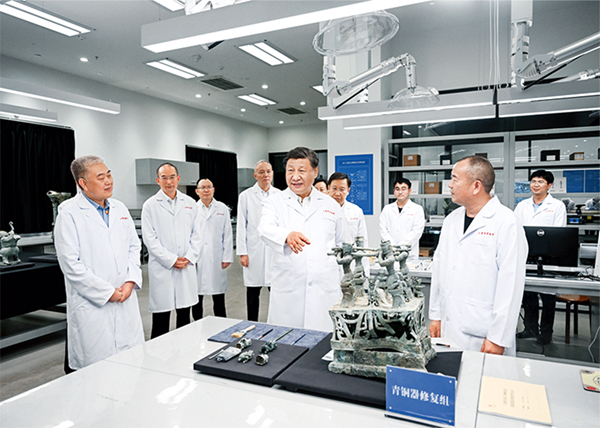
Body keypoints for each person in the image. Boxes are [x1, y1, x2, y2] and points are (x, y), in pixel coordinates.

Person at [428, 156, 528, 356]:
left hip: (484, 333)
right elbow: (439, 269)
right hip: (448, 325)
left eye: (455, 179)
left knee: (482, 375)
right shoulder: (451, 220)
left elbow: (511, 285)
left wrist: (498, 337)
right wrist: (436, 315)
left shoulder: (506, 222)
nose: (449, 185)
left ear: (476, 186)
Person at [55, 155, 144, 371]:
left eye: (109, 175)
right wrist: (108, 292)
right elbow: (71, 265)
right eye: (101, 177)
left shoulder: (120, 209)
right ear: (83, 183)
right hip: (93, 305)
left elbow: (134, 247)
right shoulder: (69, 213)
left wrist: (130, 281)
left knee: (130, 368)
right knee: (95, 374)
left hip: (125, 297)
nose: (108, 181)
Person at [258, 147, 345, 331]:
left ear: (315, 172)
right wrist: (286, 235)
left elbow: (342, 244)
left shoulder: (330, 204)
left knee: (323, 340)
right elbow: (264, 229)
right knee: (286, 341)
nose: (295, 176)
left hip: (324, 289)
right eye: (290, 170)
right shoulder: (274, 202)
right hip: (289, 290)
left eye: (302, 170)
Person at [142, 163, 201, 339]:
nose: (169, 182)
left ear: (178, 178)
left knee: (184, 316)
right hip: (163, 268)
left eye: (172, 177)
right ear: (157, 180)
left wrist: (188, 257)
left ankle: (185, 351)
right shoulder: (150, 205)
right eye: (164, 178)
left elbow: (197, 234)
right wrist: (171, 260)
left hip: (186, 266)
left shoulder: (190, 203)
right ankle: (158, 354)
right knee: (161, 318)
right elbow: (149, 239)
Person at [514, 170, 567, 345]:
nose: (536, 184)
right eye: (533, 181)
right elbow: (515, 229)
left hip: (549, 258)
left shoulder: (557, 206)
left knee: (548, 297)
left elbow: (559, 233)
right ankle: (530, 329)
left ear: (549, 185)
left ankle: (546, 333)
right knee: (528, 295)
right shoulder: (522, 206)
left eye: (541, 182)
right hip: (526, 255)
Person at [236, 160, 281, 321]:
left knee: (276, 292)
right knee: (253, 293)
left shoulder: (280, 195)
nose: (265, 175)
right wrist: (242, 252)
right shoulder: (246, 196)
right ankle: (253, 323)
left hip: (273, 250)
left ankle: (277, 323)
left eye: (268, 171)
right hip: (253, 250)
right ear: (255, 175)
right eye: (261, 172)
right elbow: (241, 225)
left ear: (272, 173)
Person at [192, 178, 233, 319]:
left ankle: (221, 324)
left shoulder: (222, 208)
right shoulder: (193, 209)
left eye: (209, 187)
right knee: (197, 297)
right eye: (202, 187)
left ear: (213, 189)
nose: (206, 190)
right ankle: (197, 324)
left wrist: (227, 257)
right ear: (197, 191)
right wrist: (191, 257)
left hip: (217, 257)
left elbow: (227, 234)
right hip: (198, 258)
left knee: (219, 297)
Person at [379, 178, 425, 264]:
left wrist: (401, 247)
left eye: (403, 189)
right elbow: (383, 230)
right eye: (397, 189)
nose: (400, 192)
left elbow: (416, 231)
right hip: (390, 254)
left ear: (409, 191)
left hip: (409, 255)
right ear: (394, 191)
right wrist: (392, 247)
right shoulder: (387, 209)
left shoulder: (417, 209)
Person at [328, 172, 368, 246]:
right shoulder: (321, 210)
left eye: (342, 189)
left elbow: (362, 239)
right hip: (328, 252)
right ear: (328, 188)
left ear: (348, 191)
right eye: (334, 189)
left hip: (351, 252)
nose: (337, 193)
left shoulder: (356, 211)